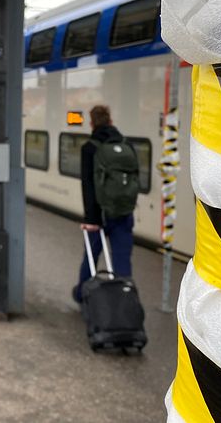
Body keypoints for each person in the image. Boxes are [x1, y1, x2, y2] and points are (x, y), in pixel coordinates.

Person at [72, 105, 137, 304]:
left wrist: (91, 218)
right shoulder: (128, 146)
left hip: (98, 217)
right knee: (122, 262)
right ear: (110, 121)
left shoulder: (89, 148)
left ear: (91, 123)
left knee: (91, 259)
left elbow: (88, 185)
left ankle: (82, 296)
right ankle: (124, 302)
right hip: (124, 214)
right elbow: (133, 180)